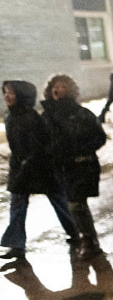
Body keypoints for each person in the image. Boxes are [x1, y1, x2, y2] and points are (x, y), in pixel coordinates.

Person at [0, 81, 79, 260]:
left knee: (58, 200)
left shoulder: (31, 117)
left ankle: (76, 232)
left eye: (11, 92)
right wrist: (19, 166)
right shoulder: (9, 116)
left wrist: (28, 163)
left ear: (20, 95)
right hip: (20, 167)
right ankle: (16, 245)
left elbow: (39, 146)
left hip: (41, 167)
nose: (7, 96)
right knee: (17, 205)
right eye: (5, 92)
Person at [41, 74, 107, 261]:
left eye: (61, 86)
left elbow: (99, 137)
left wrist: (79, 149)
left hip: (81, 165)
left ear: (69, 89)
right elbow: (42, 141)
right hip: (61, 167)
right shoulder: (47, 115)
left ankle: (88, 241)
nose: (57, 89)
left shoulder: (82, 114)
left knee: (76, 203)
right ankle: (89, 238)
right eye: (54, 86)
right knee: (76, 204)